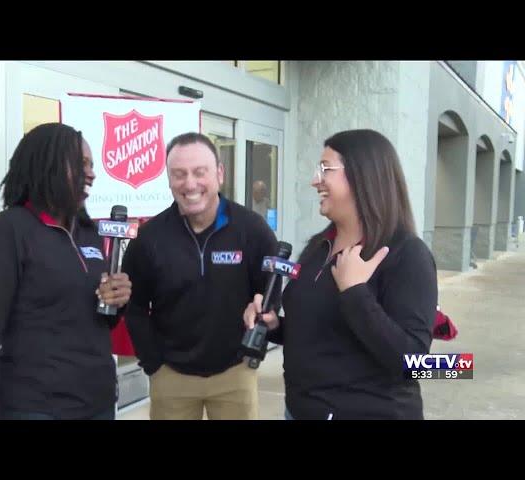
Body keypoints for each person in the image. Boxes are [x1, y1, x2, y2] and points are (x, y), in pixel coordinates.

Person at [244, 129, 437, 420]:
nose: (314, 180)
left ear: (363, 176)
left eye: (325, 169)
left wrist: (355, 293)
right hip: (299, 410)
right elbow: (320, 330)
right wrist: (274, 326)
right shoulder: (319, 247)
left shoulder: (407, 255)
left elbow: (413, 363)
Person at [0, 123, 132, 420]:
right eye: (81, 164)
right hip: (36, 406)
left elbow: (95, 318)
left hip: (97, 403)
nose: (91, 173)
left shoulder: (88, 231)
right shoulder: (10, 230)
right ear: (48, 164)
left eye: (92, 165)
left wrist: (116, 301)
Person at [122, 132, 278, 420]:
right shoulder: (149, 239)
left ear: (219, 173)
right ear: (169, 180)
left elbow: (269, 296)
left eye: (199, 172)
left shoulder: (253, 231)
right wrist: (153, 363)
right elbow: (134, 307)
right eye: (179, 174)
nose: (190, 183)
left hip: (235, 374)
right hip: (171, 377)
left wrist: (257, 340)